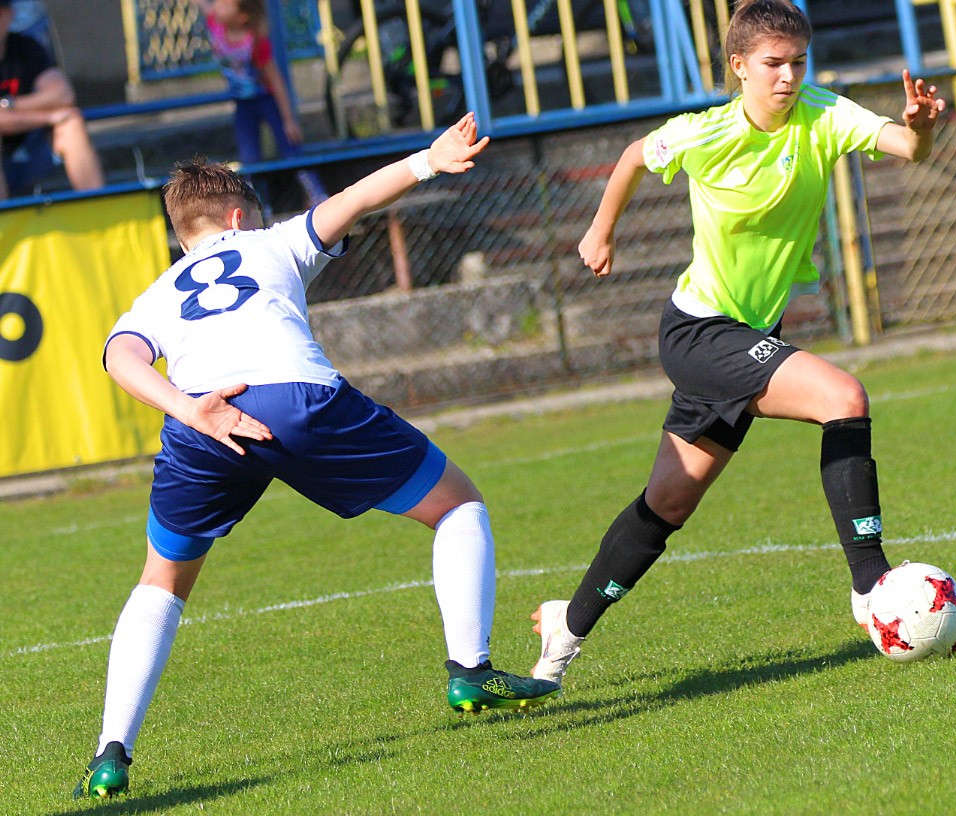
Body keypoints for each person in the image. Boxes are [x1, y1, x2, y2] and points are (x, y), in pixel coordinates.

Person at [73, 112, 560, 800]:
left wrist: (189, 409)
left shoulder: (160, 292)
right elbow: (355, 200)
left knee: (162, 581)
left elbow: (118, 355)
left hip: (204, 422)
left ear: (183, 237)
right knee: (457, 505)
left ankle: (110, 754)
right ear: (239, 216)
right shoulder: (270, 241)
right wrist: (429, 159)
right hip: (296, 398)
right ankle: (470, 670)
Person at [530, 0, 947, 685]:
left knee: (668, 502)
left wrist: (921, 128)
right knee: (843, 398)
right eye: (773, 64)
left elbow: (907, 149)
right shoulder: (706, 132)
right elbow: (634, 156)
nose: (788, 77)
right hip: (698, 333)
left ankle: (563, 630)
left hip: (749, 336)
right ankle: (870, 585)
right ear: (739, 66)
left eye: (798, 62)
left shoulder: (823, 114)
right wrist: (600, 231)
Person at [189, 0, 327, 209]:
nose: (216, 7)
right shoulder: (216, 25)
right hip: (243, 105)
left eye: (224, 5)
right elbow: (202, 5)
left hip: (266, 100)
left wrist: (288, 120)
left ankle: (315, 194)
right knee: (250, 158)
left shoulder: (254, 42)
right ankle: (258, 204)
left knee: (290, 147)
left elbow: (276, 80)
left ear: (241, 17)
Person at [0, 0, 103, 199]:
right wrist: (48, 116)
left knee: (72, 123)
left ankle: (98, 208)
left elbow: (63, 94)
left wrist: (10, 105)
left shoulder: (25, 47)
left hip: (29, 146)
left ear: (10, 15)